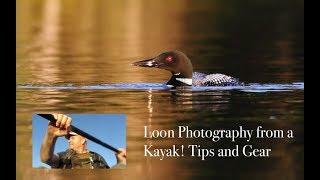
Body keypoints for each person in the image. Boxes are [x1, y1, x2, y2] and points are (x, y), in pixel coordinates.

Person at [40, 113, 126, 169]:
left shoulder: (98, 158)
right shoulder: (64, 156)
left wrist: (120, 161)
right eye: (68, 138)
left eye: (72, 137)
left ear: (83, 140)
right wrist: (51, 136)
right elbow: (46, 159)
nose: (69, 141)